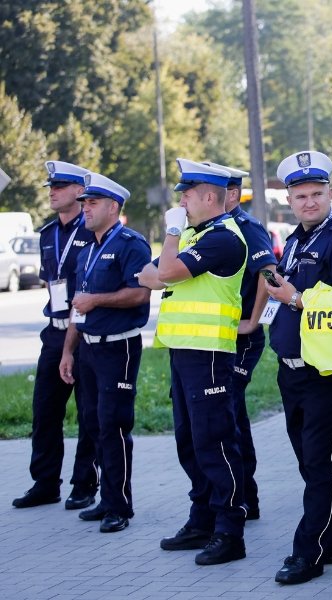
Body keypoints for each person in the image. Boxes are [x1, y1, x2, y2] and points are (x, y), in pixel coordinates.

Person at [264, 150, 332, 585]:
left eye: (316, 194)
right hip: (293, 371)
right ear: (289, 199)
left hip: (327, 372)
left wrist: (293, 297)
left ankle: (308, 552)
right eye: (300, 195)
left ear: (330, 193)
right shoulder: (296, 239)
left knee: (321, 464)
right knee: (313, 464)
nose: (309, 202)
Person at [138, 158, 248, 566]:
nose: (181, 201)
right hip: (185, 353)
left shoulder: (222, 238)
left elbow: (162, 271)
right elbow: (148, 276)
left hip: (211, 357)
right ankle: (202, 518)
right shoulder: (197, 235)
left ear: (208, 196)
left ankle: (229, 530)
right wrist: (166, 266)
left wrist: (170, 235)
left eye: (186, 194)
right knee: (189, 441)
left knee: (215, 442)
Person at [58, 173, 151, 533]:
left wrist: (96, 300)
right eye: (83, 203)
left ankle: (119, 506)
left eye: (92, 203)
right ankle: (105, 498)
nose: (85, 209)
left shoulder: (132, 244)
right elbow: (77, 306)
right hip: (89, 350)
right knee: (94, 425)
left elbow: (140, 294)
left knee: (114, 426)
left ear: (113, 207)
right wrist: (68, 351)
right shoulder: (88, 247)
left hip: (119, 347)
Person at [12, 161, 98, 511]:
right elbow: (52, 282)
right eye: (51, 186)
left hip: (86, 333)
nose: (51, 192)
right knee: (44, 410)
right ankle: (45, 482)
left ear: (79, 192)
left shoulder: (91, 230)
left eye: (59, 186)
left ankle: (84, 484)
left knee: (89, 412)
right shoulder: (48, 233)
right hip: (55, 331)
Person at [206, 161, 276, 520]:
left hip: (242, 340)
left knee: (231, 416)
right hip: (216, 338)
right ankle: (241, 497)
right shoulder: (209, 228)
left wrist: (254, 320)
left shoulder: (248, 227)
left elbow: (269, 273)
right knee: (228, 416)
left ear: (231, 194)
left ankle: (245, 498)